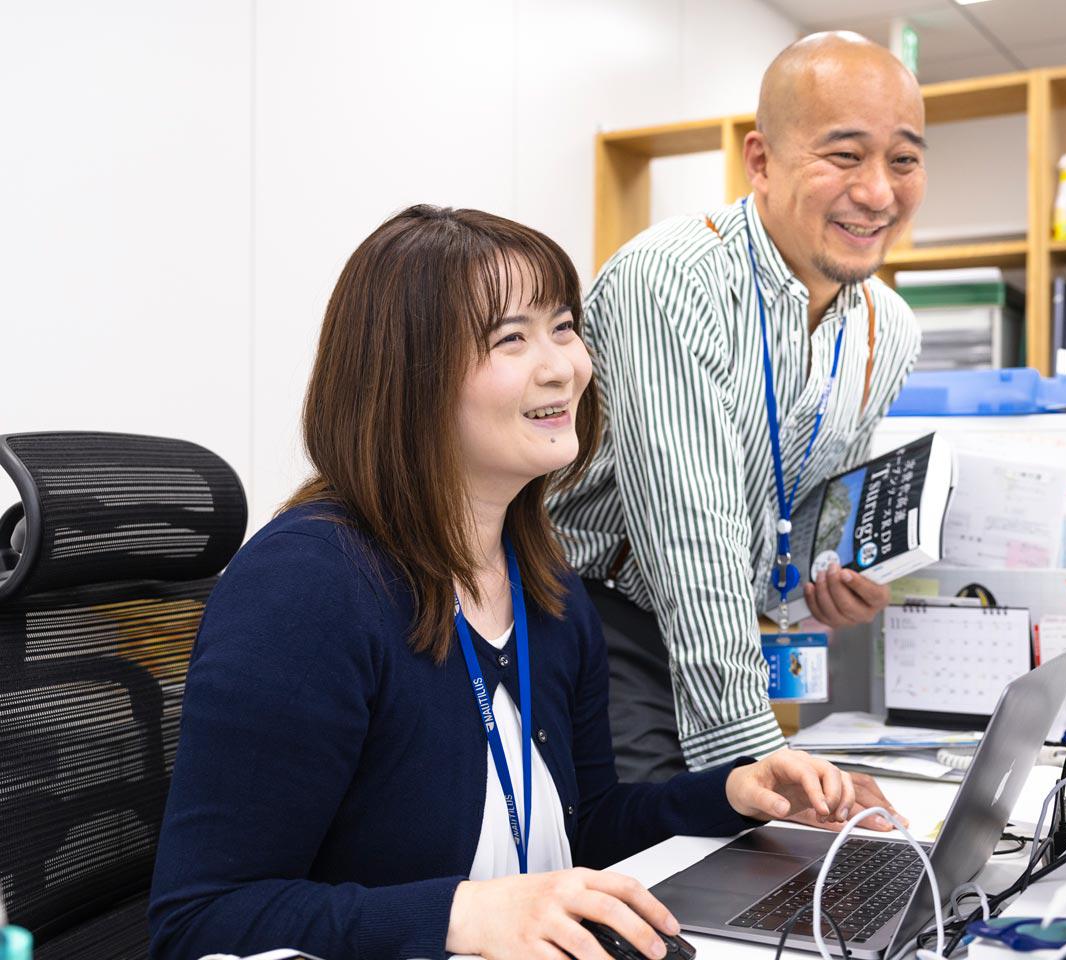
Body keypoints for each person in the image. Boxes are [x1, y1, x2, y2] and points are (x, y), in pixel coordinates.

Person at [148, 205, 878, 960]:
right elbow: (203, 920)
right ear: (409, 377)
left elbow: (582, 823)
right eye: (511, 338)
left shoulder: (545, 583)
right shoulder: (306, 590)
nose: (562, 365)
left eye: (564, 327)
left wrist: (731, 794)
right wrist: (460, 916)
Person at [549, 32, 928, 783]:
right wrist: (753, 750)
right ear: (760, 161)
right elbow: (694, 536)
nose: (879, 192)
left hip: (727, 633)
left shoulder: (889, 329)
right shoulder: (673, 279)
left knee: (774, 847)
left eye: (905, 159)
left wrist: (827, 578)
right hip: (589, 615)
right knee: (665, 862)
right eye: (845, 156)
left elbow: (803, 510)